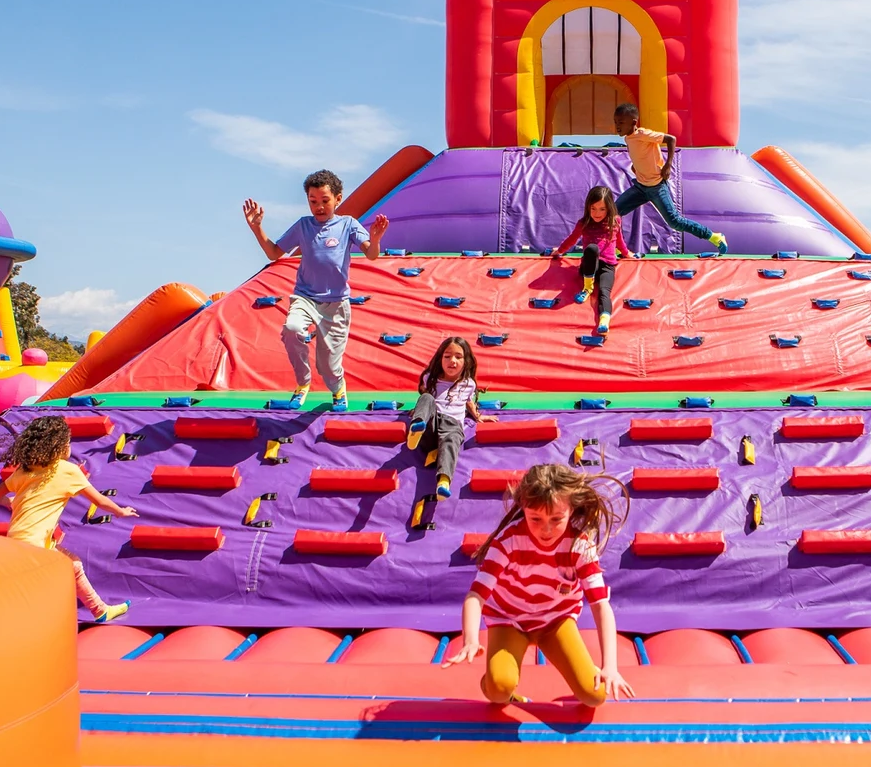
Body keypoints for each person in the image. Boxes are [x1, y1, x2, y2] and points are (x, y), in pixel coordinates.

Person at [442, 464, 635, 707]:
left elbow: (600, 606)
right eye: (536, 519)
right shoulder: (508, 541)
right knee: (499, 690)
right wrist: (470, 638)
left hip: (555, 621)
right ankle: (492, 683)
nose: (546, 529)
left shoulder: (579, 546)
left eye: (557, 519)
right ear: (523, 507)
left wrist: (610, 667)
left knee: (595, 696)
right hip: (509, 620)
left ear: (571, 510)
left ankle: (581, 679)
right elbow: (475, 596)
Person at [243, 169, 389, 409]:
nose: (319, 207)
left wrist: (375, 240)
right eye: (313, 202)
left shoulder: (347, 224)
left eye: (325, 201)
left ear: (338, 199)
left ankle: (338, 388)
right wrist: (257, 228)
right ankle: (303, 383)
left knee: (328, 364)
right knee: (291, 329)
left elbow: (372, 255)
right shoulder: (303, 226)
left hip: (336, 304)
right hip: (305, 297)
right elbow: (274, 253)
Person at [0, 415, 137, 622]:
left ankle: (100, 610)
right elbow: (100, 501)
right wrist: (121, 511)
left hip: (16, 540)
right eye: (67, 443)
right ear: (57, 447)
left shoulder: (24, 470)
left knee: (73, 565)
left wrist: (11, 503)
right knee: (42, 584)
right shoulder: (67, 470)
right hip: (36, 543)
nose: (70, 448)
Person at [612, 103, 726, 254]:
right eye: (615, 122)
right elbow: (643, 154)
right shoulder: (628, 138)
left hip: (657, 186)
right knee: (613, 212)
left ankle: (714, 236)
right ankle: (617, 248)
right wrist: (636, 167)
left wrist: (667, 164)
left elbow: (671, 139)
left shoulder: (643, 133)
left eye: (621, 122)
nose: (617, 126)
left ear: (633, 122)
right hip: (640, 186)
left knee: (675, 222)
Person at [406, 336, 497, 501]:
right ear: (440, 359)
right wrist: (420, 411)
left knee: (452, 440)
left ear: (466, 361)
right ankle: (416, 429)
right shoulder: (430, 378)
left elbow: (468, 401)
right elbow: (425, 400)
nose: (452, 361)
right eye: (447, 356)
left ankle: (444, 481)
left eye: (458, 357)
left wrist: (478, 416)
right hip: (430, 427)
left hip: (452, 426)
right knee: (426, 398)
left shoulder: (469, 384)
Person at [552, 186, 628, 336]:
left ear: (609, 208)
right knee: (592, 249)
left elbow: (619, 241)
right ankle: (587, 288)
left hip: (607, 265)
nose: (597, 213)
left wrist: (627, 253)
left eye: (602, 209)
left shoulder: (615, 221)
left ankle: (604, 321)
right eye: (593, 208)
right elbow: (572, 239)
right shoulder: (584, 222)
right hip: (588, 266)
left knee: (605, 292)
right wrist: (559, 251)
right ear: (588, 207)